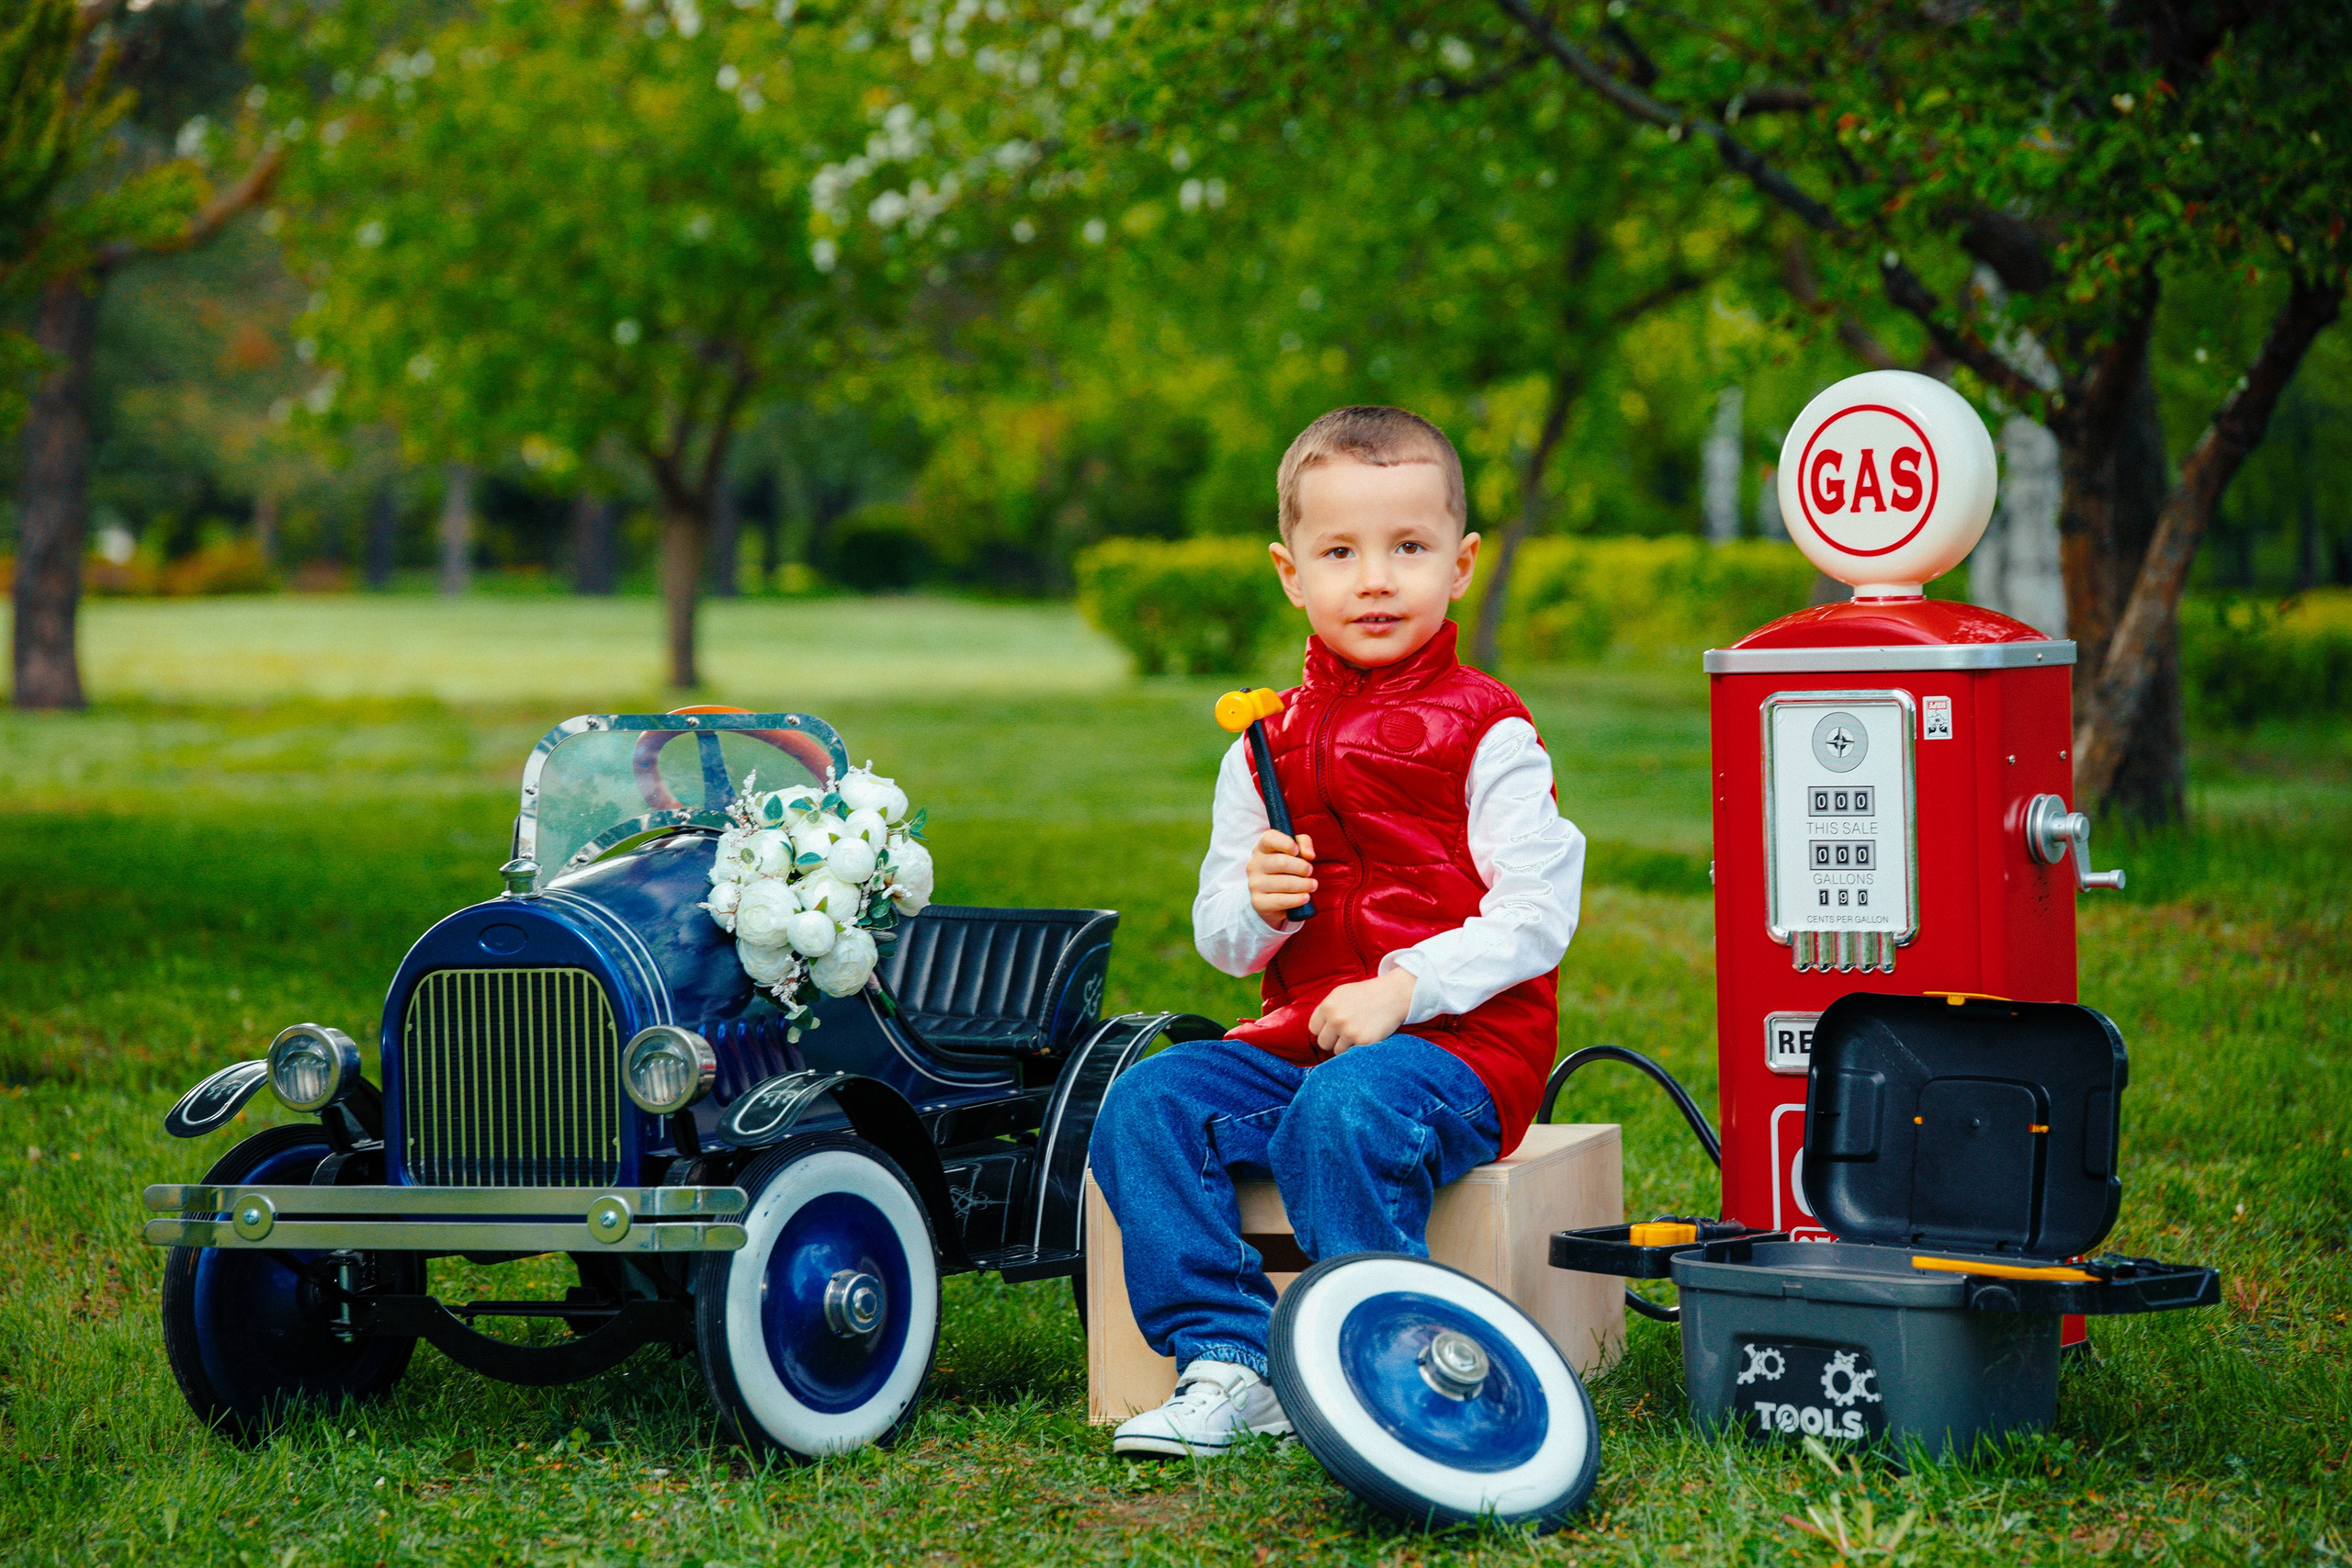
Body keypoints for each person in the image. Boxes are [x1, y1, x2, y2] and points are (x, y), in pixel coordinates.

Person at [1089, 405, 1587, 1457]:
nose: (1374, 578)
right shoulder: (1260, 747)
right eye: (1340, 552)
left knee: (1345, 1106)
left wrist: (1405, 987)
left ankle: (1377, 1362)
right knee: (1147, 1100)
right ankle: (1229, 1360)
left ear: (1460, 563)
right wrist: (1256, 908)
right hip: (1304, 1038)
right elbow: (1222, 940)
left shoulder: (1488, 728)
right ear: (1290, 572)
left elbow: (1537, 914)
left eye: (1407, 549)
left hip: (1458, 1052)